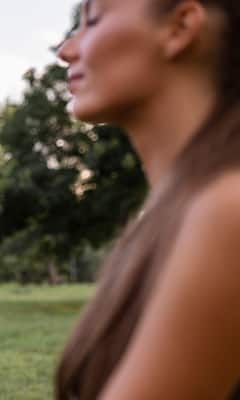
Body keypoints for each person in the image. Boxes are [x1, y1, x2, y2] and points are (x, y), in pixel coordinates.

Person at [54, 0, 240, 398]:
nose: (66, 51)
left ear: (180, 28)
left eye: (94, 20)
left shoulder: (226, 212)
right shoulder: (177, 209)